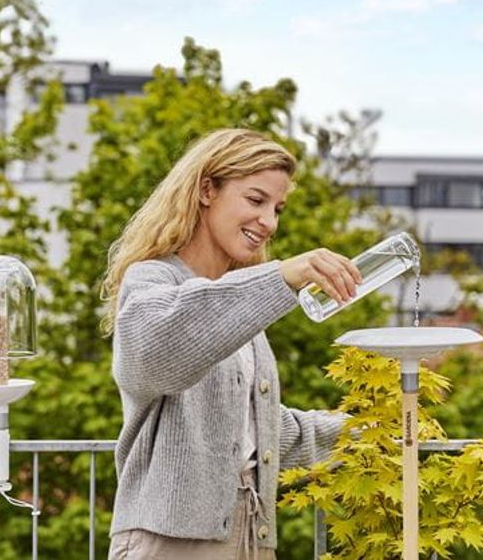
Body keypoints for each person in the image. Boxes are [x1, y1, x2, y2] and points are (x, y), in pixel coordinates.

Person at [104, 128, 363, 559]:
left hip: (249, 535)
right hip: (169, 543)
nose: (269, 222)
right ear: (207, 190)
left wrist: (364, 431)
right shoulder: (151, 280)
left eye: (277, 209)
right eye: (256, 200)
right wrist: (281, 275)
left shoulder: (241, 308)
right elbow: (161, 354)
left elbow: (259, 429)